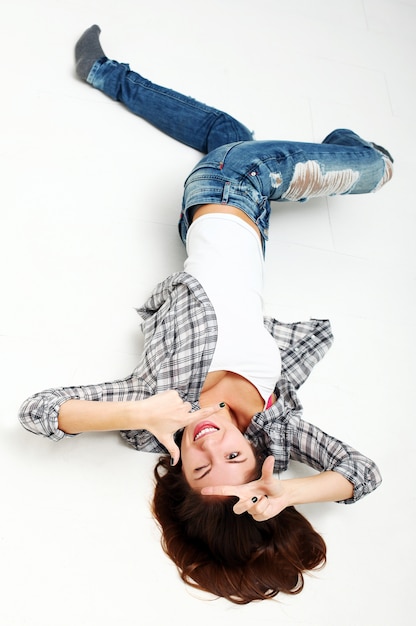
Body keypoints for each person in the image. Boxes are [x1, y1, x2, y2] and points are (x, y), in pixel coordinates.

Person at [19, 25, 392, 604]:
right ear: (259, 458)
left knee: (362, 165)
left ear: (178, 473)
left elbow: (37, 412)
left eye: (200, 465)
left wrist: (142, 409)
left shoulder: (155, 403)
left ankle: (359, 156)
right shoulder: (277, 428)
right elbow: (361, 474)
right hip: (255, 223)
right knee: (228, 134)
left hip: (221, 194)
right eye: (235, 457)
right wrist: (289, 497)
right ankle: (104, 73)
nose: (212, 441)